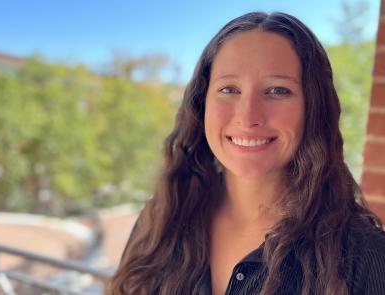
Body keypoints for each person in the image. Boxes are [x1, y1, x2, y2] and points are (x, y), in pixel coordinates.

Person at [108, 12, 385, 295]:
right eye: (229, 89)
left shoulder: (366, 255)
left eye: (277, 90)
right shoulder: (160, 219)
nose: (248, 117)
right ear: (201, 104)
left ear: (313, 108)